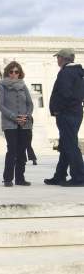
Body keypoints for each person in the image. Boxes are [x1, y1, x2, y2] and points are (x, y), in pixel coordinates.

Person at [44, 48, 84, 187]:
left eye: (58, 57)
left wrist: (57, 110)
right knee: (66, 144)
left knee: (71, 145)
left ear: (63, 58)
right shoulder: (78, 73)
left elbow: (65, 94)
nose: (57, 60)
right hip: (75, 112)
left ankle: (79, 178)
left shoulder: (66, 73)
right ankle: (59, 176)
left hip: (67, 114)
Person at [0, 61, 33, 187]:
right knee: (12, 150)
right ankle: (7, 178)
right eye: (11, 72)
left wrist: (26, 116)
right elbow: (0, 105)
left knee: (22, 151)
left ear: (20, 73)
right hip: (9, 124)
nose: (13, 74)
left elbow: (30, 103)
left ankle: (20, 178)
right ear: (7, 73)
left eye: (16, 72)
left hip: (24, 123)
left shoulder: (23, 86)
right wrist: (15, 117)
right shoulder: (2, 86)